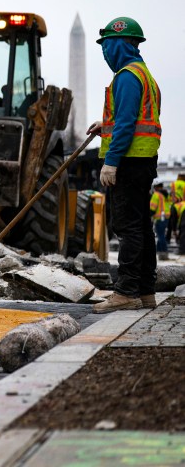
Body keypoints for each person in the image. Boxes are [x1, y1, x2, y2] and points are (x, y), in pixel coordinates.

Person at [87, 17, 161, 314]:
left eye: (106, 46)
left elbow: (129, 123)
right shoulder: (144, 75)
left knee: (127, 227)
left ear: (119, 44)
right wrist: (105, 125)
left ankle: (126, 292)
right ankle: (145, 291)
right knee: (142, 226)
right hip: (142, 160)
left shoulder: (127, 77)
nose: (105, 52)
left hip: (129, 162)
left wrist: (111, 162)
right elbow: (129, 119)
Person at [150, 183, 169, 261]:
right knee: (161, 235)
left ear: (156, 187)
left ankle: (163, 253)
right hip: (165, 217)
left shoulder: (156, 195)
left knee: (161, 236)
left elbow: (152, 208)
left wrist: (149, 215)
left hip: (159, 218)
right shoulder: (165, 195)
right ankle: (158, 251)